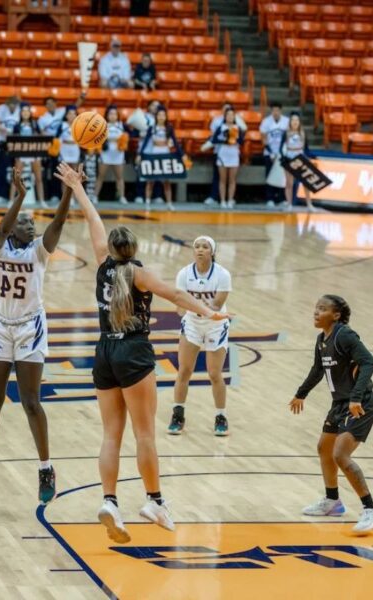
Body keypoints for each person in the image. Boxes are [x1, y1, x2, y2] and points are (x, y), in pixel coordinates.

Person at [53, 162, 229, 543]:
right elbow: (178, 295)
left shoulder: (103, 266)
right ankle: (154, 500)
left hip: (103, 352)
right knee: (145, 433)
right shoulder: (138, 273)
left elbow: (93, 224)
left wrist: (78, 189)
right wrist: (209, 312)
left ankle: (110, 501)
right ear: (132, 249)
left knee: (110, 435)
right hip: (133, 352)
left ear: (110, 249)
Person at [0, 165, 75, 505]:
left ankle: (45, 468)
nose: (32, 225)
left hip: (30, 326)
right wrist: (20, 195)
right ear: (14, 225)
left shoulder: (39, 251)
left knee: (31, 401)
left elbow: (57, 223)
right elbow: (1, 226)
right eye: (26, 222)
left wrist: (69, 190)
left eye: (33, 222)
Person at [289, 295, 373, 534]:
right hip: (339, 404)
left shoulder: (345, 335)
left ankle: (371, 510)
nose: (316, 312)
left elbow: (369, 362)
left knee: (341, 455)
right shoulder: (322, 339)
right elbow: (318, 369)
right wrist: (301, 393)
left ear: (336, 315)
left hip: (360, 403)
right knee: (324, 448)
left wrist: (355, 396)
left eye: (322, 309)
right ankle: (332, 502)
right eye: (315, 307)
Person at [168, 236, 232, 436]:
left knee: (214, 374)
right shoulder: (184, 274)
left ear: (212, 251)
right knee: (184, 370)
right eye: (197, 246)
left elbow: (216, 306)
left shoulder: (222, 275)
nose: (200, 250)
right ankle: (178, 414)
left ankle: (221, 416)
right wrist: (191, 310)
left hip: (215, 324)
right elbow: (179, 306)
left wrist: (196, 308)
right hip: (193, 324)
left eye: (205, 247)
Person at [39, 94, 86, 202]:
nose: (72, 115)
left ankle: (75, 197)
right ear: (66, 115)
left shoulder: (79, 124)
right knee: (64, 174)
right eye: (69, 113)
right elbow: (57, 138)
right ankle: (65, 198)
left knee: (75, 174)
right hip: (63, 150)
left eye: (74, 113)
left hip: (75, 150)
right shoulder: (61, 125)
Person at [138, 107, 178, 210]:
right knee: (150, 180)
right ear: (156, 116)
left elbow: (175, 142)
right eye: (159, 115)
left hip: (165, 154)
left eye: (163, 115)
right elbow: (146, 142)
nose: (161, 117)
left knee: (166, 181)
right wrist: (140, 154)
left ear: (166, 117)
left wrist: (181, 154)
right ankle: (147, 202)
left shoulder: (169, 128)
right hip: (154, 154)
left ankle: (169, 203)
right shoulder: (152, 128)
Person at [11, 103, 46, 207]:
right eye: (23, 111)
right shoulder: (17, 126)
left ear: (30, 113)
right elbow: (13, 140)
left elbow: (41, 137)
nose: (25, 113)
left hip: (34, 153)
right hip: (21, 153)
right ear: (20, 113)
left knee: (39, 178)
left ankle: (42, 200)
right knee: (16, 177)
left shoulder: (35, 124)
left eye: (27, 111)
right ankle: (11, 200)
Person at [280, 112, 315, 212]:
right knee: (289, 183)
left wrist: (311, 156)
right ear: (290, 122)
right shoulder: (285, 133)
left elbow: (307, 149)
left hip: (300, 158)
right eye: (293, 120)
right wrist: (283, 157)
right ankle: (289, 204)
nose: (295, 122)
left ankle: (309, 205)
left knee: (305, 182)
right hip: (289, 157)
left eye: (297, 120)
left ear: (299, 122)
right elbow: (280, 148)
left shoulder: (303, 133)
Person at [211, 107, 245, 209]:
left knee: (232, 179)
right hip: (223, 153)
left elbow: (242, 141)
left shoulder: (238, 128)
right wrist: (225, 140)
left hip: (234, 154)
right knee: (222, 179)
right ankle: (222, 200)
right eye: (228, 115)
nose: (230, 116)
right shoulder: (220, 127)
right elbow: (214, 140)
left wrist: (235, 140)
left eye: (232, 115)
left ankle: (230, 200)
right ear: (225, 116)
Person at [0, 95, 22, 202]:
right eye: (11, 104)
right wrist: (5, 129)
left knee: (17, 170)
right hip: (3, 142)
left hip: (17, 144)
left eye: (15, 104)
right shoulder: (0, 109)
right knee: (3, 169)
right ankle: (1, 194)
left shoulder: (20, 110)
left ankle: (16, 194)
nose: (13, 106)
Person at [96, 105, 128, 204]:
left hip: (118, 154)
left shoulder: (122, 125)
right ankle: (95, 196)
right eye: (110, 113)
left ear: (117, 115)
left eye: (114, 113)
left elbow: (128, 136)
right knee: (101, 176)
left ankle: (122, 196)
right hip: (106, 153)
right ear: (107, 115)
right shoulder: (103, 125)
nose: (113, 116)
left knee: (119, 177)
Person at [260, 102, 289, 207]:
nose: (275, 112)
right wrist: (271, 153)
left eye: (277, 110)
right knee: (269, 176)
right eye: (273, 110)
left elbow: (288, 138)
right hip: (270, 153)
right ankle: (269, 198)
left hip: (282, 153)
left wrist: (281, 152)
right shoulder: (266, 122)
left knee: (282, 176)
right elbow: (264, 139)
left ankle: (281, 198)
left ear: (281, 110)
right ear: (271, 111)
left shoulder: (286, 121)